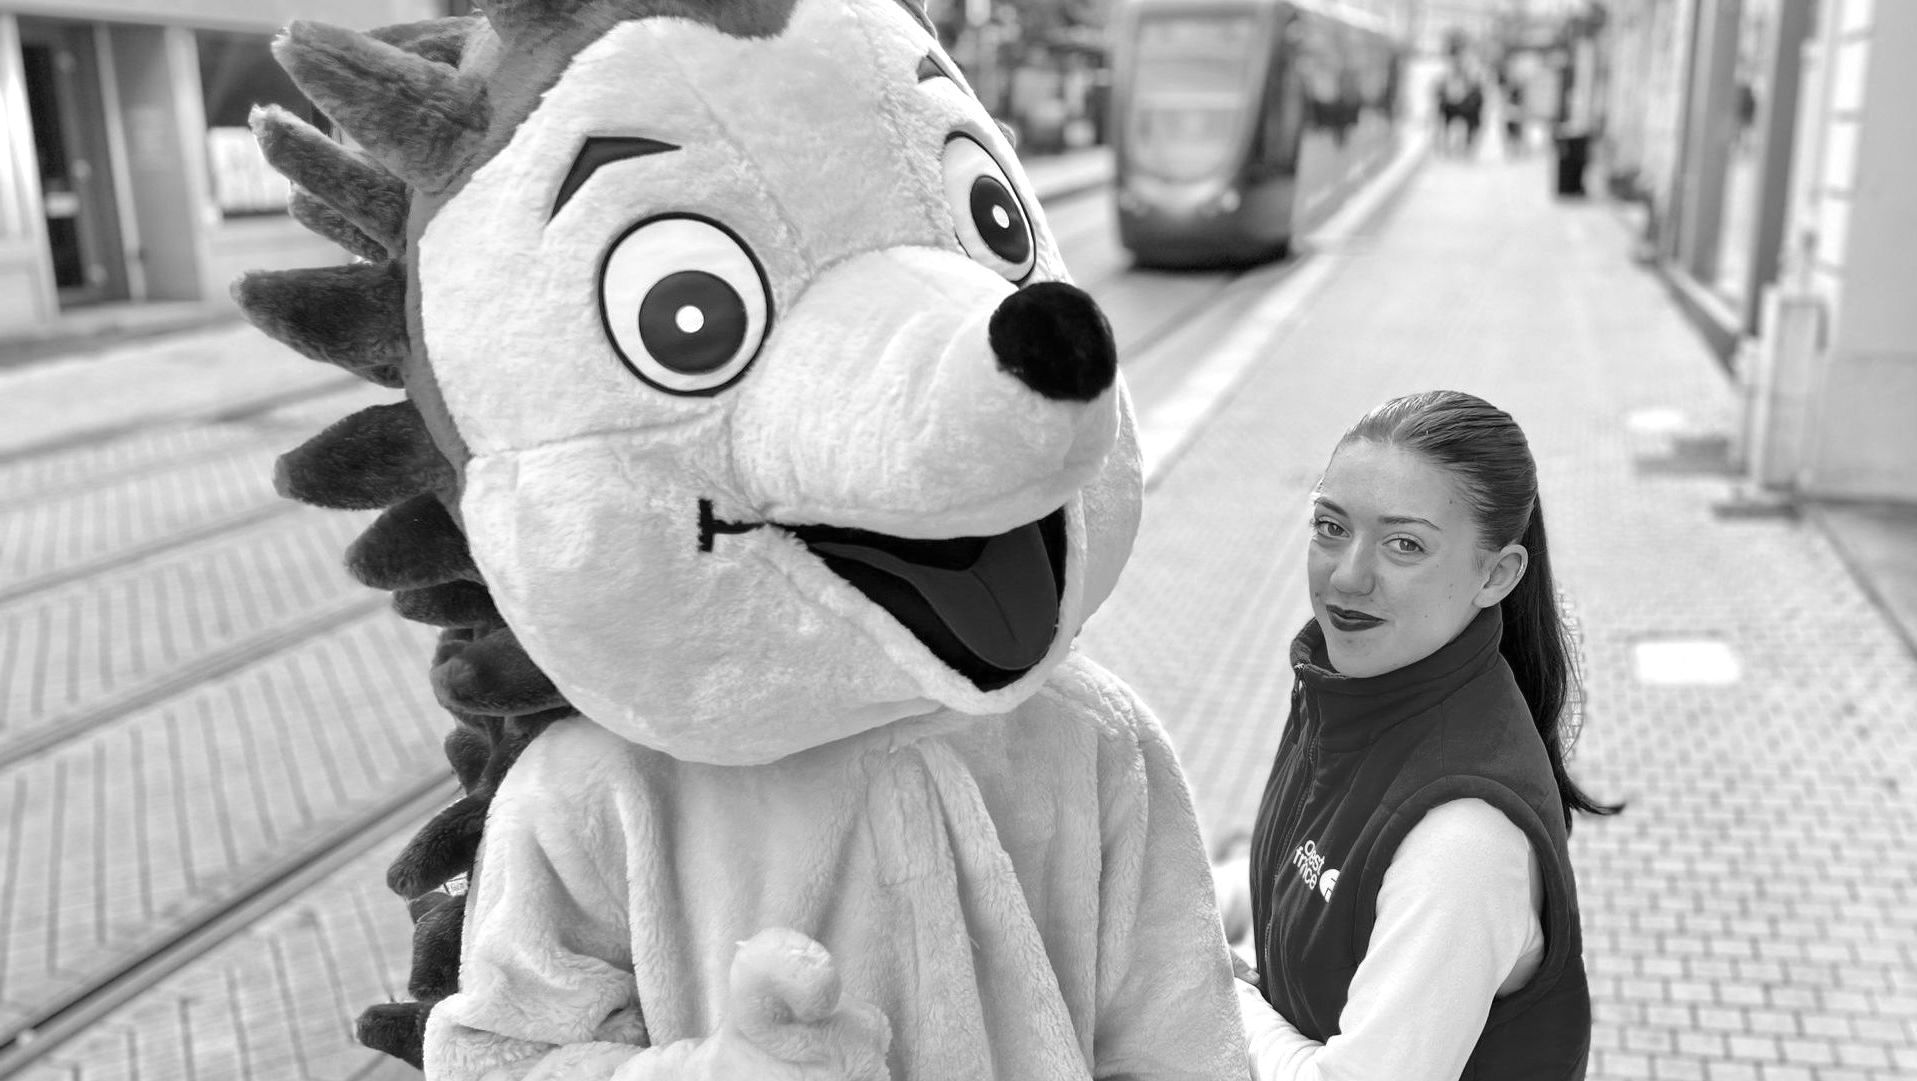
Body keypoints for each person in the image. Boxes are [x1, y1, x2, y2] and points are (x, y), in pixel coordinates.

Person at [1237, 390, 1619, 1079]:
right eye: (1330, 526)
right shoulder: (1341, 687)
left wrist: (1213, 988)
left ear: (1495, 574)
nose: (1347, 576)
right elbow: (1306, 860)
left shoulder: (1464, 839)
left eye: (1403, 543)